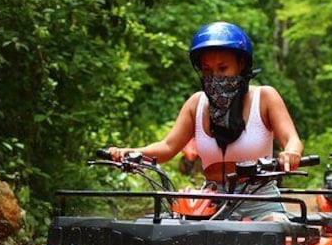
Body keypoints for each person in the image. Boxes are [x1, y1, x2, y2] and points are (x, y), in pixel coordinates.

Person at [108, 21, 303, 220]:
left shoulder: (265, 98)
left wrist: (291, 153)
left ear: (241, 64)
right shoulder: (196, 104)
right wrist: (132, 153)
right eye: (208, 70)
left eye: (223, 68)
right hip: (210, 202)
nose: (215, 77)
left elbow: (292, 139)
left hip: (260, 201)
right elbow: (167, 147)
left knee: (274, 234)